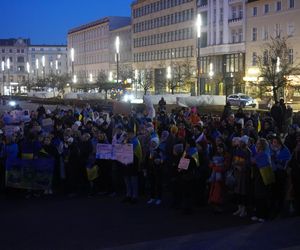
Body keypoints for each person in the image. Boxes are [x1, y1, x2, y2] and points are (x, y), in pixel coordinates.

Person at [232, 135, 251, 218]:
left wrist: (242, 168)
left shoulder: (248, 151)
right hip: (237, 172)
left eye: (241, 142)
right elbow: (234, 160)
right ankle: (239, 208)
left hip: (243, 174)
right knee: (237, 192)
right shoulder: (237, 150)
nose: (239, 143)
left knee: (243, 191)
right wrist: (235, 165)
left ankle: (244, 209)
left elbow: (248, 163)